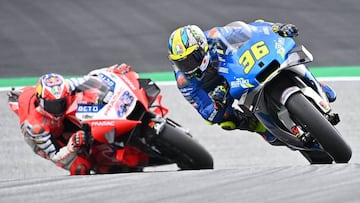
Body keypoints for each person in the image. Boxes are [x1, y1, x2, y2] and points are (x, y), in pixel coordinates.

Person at [167, 20, 337, 145]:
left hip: (236, 67)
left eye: (191, 58)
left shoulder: (214, 36)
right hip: (217, 91)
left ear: (202, 47)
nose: (187, 66)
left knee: (286, 54)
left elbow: (253, 30)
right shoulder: (184, 80)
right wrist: (218, 104)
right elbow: (207, 113)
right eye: (181, 62)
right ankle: (261, 127)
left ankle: (315, 83)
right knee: (228, 121)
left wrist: (277, 28)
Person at [8, 63, 147, 175]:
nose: (58, 108)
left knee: (87, 99)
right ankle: (104, 166)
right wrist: (71, 145)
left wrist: (112, 70)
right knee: (81, 168)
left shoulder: (67, 87)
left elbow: (92, 78)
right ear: (41, 101)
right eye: (53, 105)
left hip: (63, 123)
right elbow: (55, 155)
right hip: (55, 141)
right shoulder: (35, 127)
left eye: (61, 102)